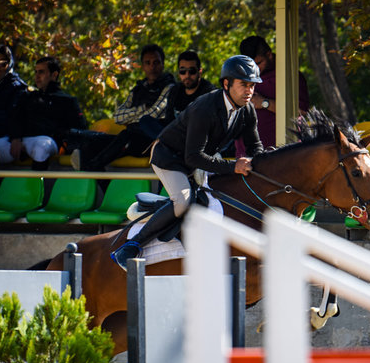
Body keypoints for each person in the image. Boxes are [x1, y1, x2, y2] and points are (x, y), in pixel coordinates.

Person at [111, 55, 265, 271]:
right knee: (183, 201)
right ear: (226, 84)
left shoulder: (247, 110)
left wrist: (262, 163)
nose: (249, 90)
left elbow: (255, 147)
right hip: (169, 157)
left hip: (195, 160)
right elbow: (193, 157)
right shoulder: (205, 108)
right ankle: (131, 246)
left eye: (252, 85)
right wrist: (233, 167)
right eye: (243, 85)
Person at [69, 44, 175, 171]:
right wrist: (142, 109)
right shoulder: (138, 89)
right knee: (91, 144)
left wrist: (132, 117)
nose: (152, 67)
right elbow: (118, 116)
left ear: (163, 64)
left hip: (152, 142)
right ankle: (105, 188)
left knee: (126, 135)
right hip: (130, 138)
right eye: (148, 63)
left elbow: (153, 114)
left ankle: (90, 168)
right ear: (143, 66)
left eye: (156, 62)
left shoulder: (170, 87)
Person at [234, 35, 310, 157]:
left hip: (283, 155)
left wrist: (265, 103)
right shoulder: (241, 76)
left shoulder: (289, 75)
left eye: (258, 63)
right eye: (250, 65)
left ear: (269, 55)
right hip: (247, 156)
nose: (254, 69)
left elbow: (301, 111)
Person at [7, 56, 87, 170]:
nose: (37, 76)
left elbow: (80, 128)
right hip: (23, 141)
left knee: (42, 147)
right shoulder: (28, 97)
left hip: (50, 142)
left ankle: (34, 187)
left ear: (54, 75)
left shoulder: (67, 101)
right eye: (36, 72)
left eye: (41, 72)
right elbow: (15, 118)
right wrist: (16, 138)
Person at [163, 50, 216, 123]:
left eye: (192, 71)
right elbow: (168, 121)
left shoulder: (209, 94)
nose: (187, 75)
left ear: (199, 72)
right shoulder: (175, 90)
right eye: (183, 71)